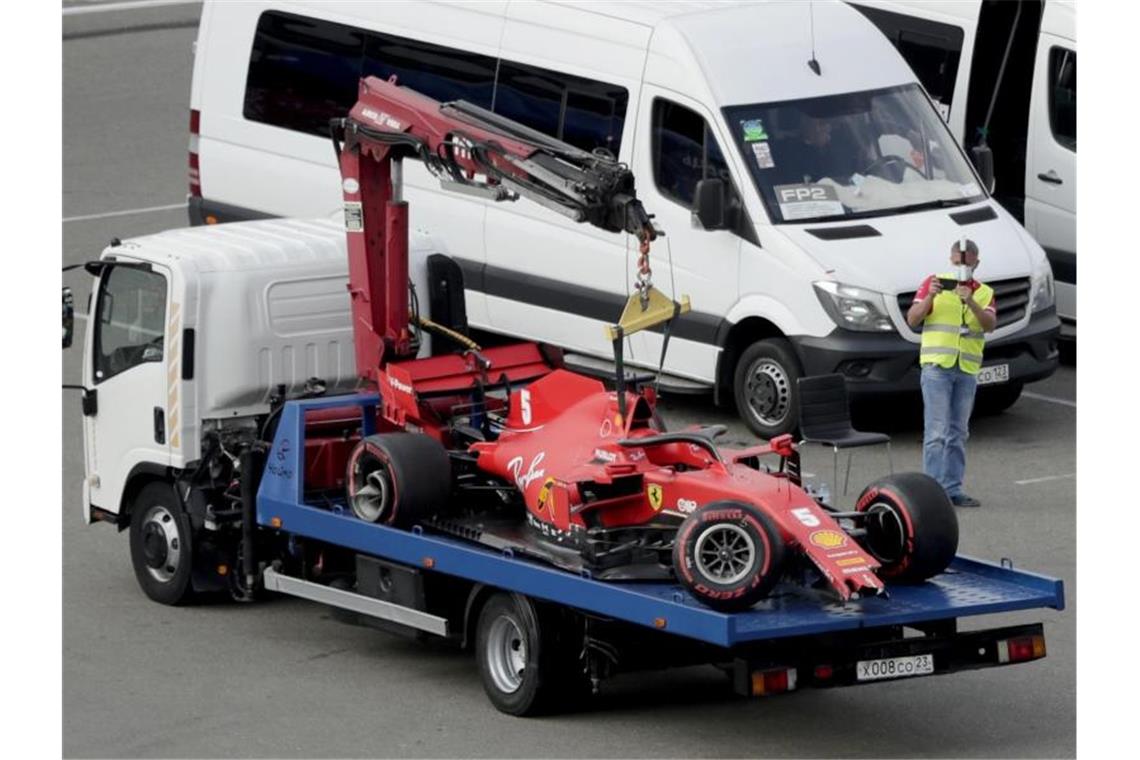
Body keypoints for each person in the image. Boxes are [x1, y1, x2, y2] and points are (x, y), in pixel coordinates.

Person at [906, 239, 997, 508]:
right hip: (937, 366)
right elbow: (913, 319)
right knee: (936, 432)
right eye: (958, 261)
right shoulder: (933, 283)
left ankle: (953, 488)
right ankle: (932, 493)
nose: (961, 267)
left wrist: (972, 303)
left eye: (967, 262)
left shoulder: (983, 292)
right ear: (950, 259)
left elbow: (989, 325)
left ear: (976, 263)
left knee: (958, 432)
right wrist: (932, 296)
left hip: (966, 368)